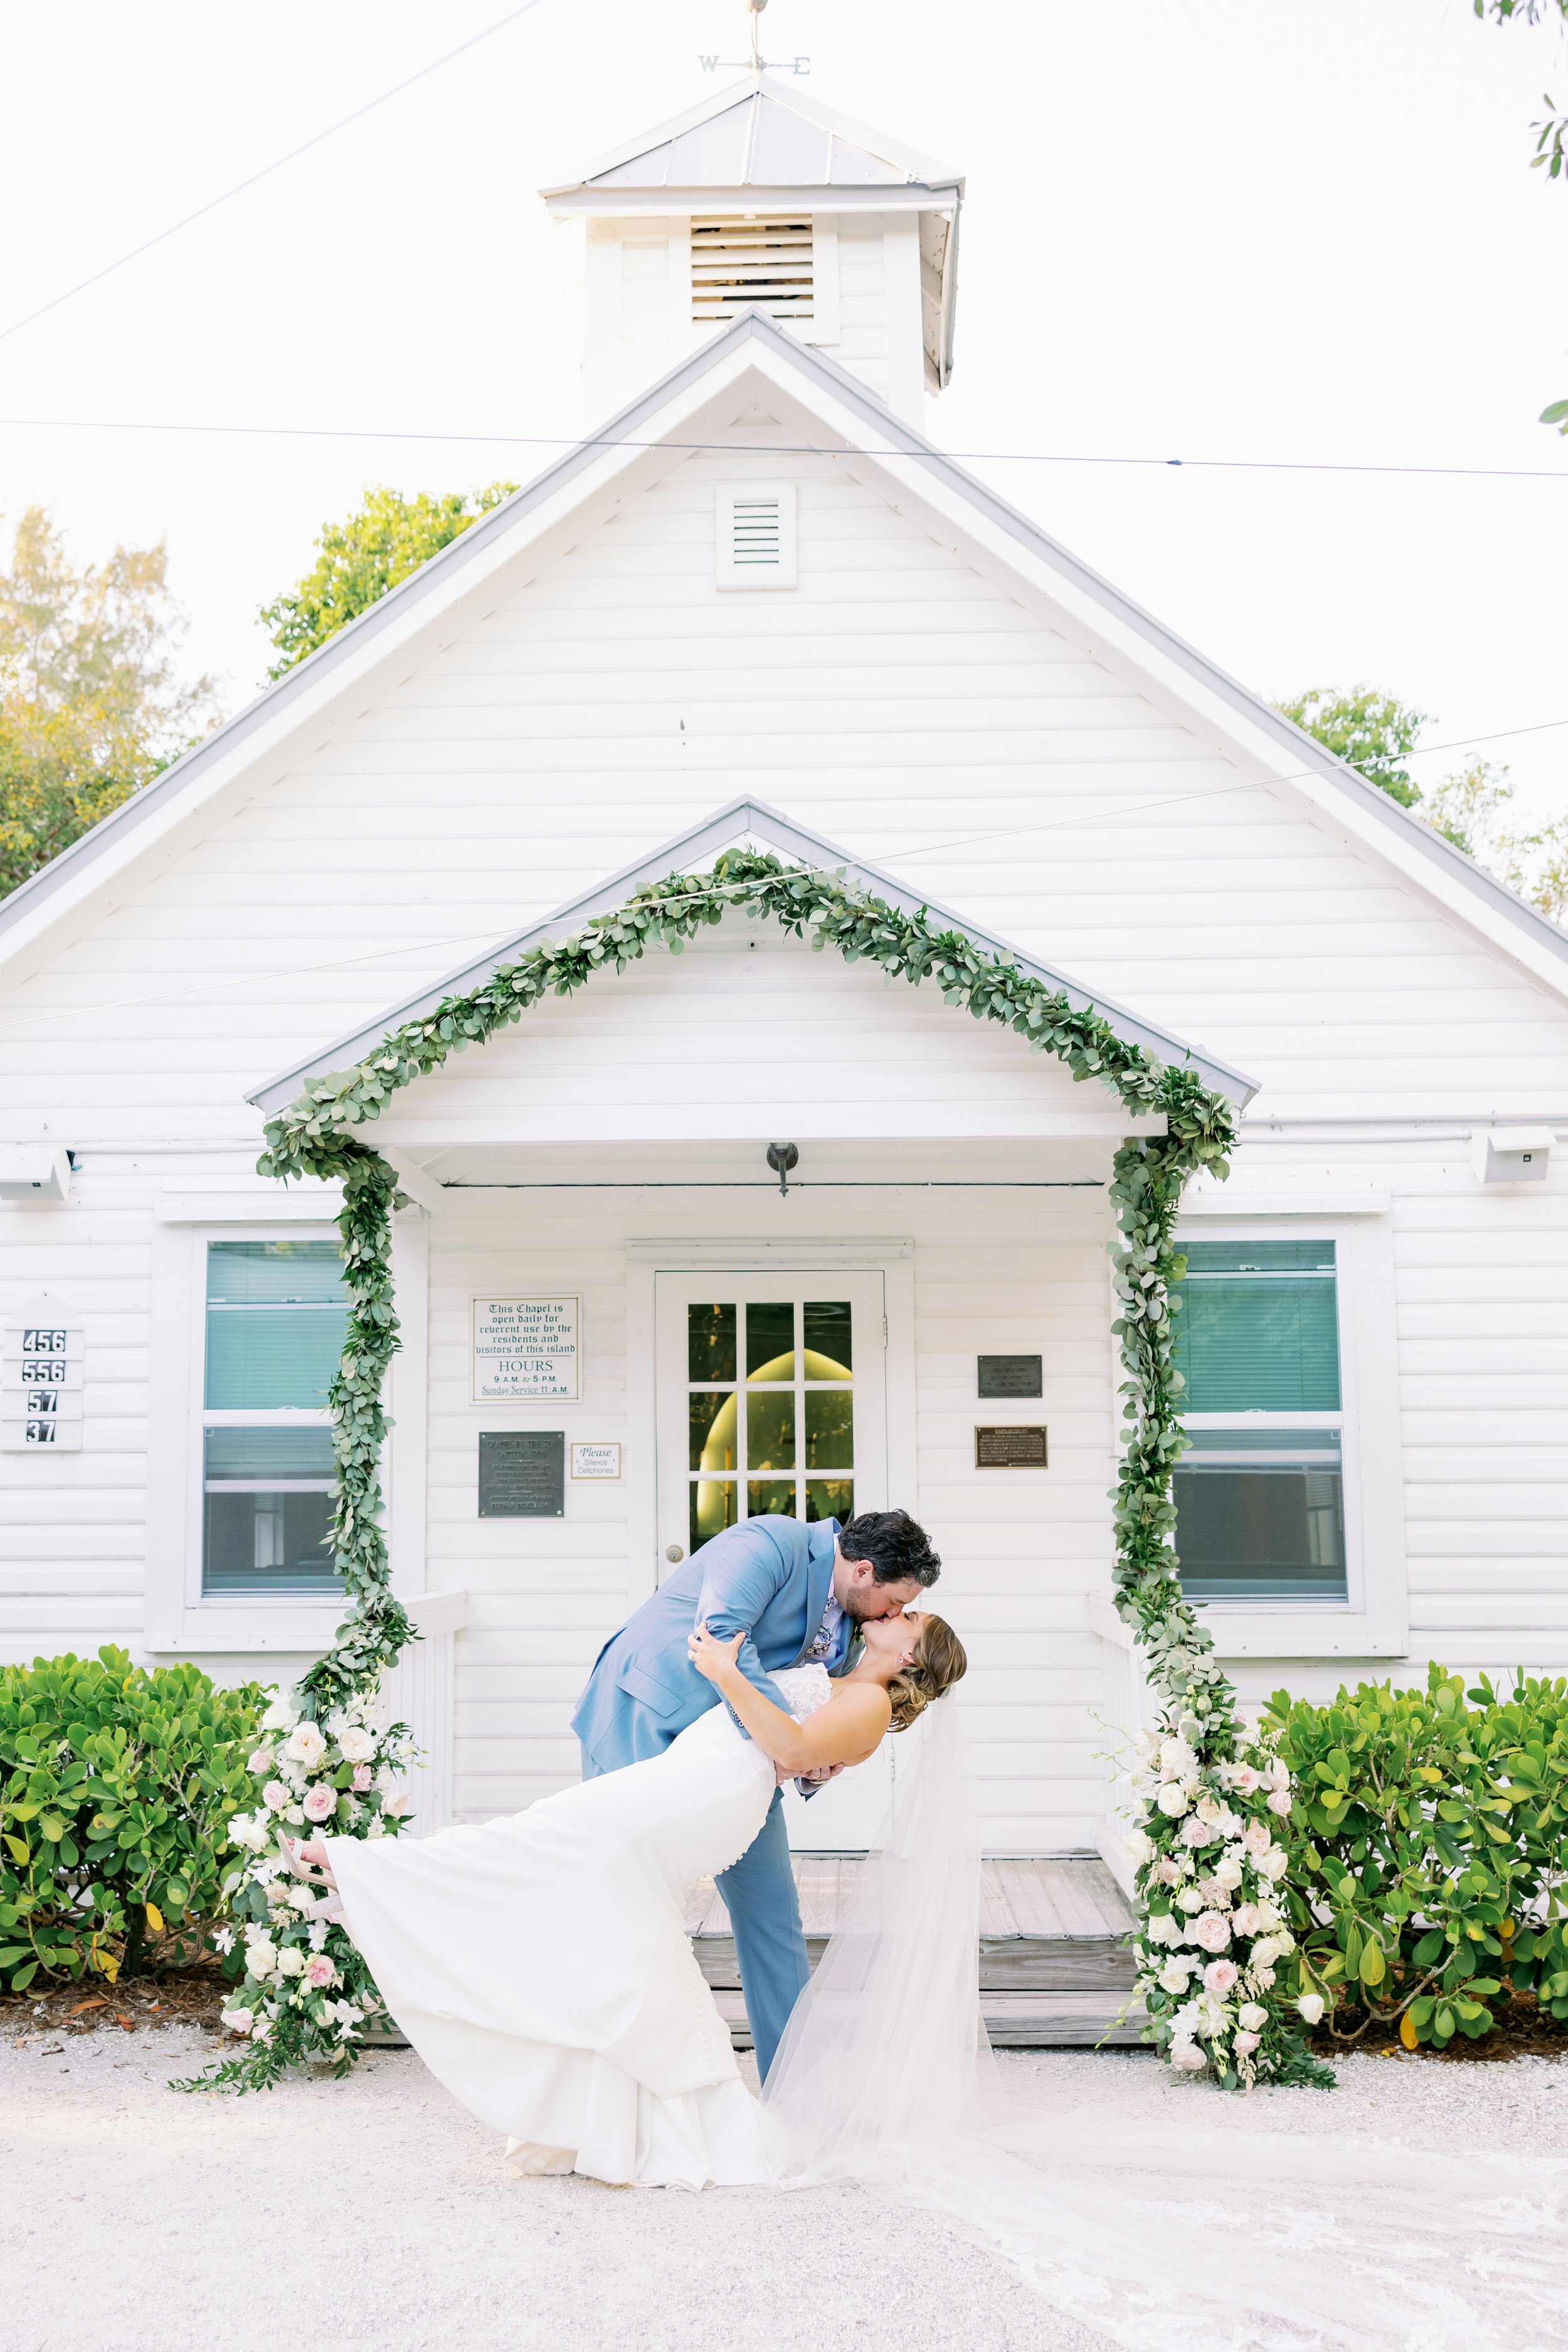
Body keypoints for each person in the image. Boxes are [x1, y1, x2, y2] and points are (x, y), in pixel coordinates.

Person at [285, 1599, 967, 2191]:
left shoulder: (872, 1704)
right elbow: (800, 1742)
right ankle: (375, 1878)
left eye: (909, 1617)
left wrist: (727, 1673)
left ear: (910, 1653)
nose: (894, 1613)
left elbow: (788, 1745)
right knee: (581, 1873)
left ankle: (370, 1875)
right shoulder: (847, 1679)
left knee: (552, 1840)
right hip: (693, 1772)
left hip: (709, 1791)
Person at [570, 1507, 941, 2075]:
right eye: (896, 1600)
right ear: (863, 1571)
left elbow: (822, 1707)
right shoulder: (774, 1542)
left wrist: (818, 1759)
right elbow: (720, 1635)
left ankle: (794, 2089)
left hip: (743, 1761)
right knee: (626, 1901)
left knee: (773, 1914)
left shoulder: (855, 1634)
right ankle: (611, 2077)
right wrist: (792, 1747)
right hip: (646, 1717)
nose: (897, 1612)